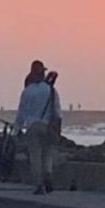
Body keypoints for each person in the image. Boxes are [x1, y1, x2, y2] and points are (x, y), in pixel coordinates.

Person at [13, 63, 62, 195]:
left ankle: (39, 185)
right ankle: (48, 176)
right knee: (47, 155)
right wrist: (58, 131)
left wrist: (16, 131)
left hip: (32, 126)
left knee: (35, 157)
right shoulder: (51, 90)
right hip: (48, 126)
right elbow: (57, 113)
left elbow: (21, 113)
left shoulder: (27, 91)